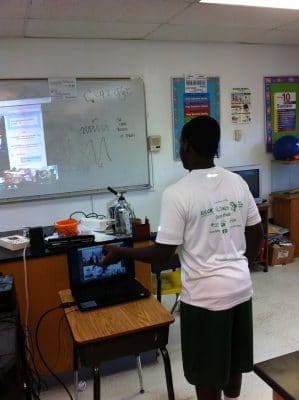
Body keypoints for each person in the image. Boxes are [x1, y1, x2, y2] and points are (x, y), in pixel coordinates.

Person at [102, 115, 264, 400]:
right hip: (241, 289)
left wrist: (122, 252)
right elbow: (256, 231)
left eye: (180, 145)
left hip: (205, 298)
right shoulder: (238, 183)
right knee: (232, 362)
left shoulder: (177, 193)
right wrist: (245, 265)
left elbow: (163, 253)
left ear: (186, 146)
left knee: (205, 372)